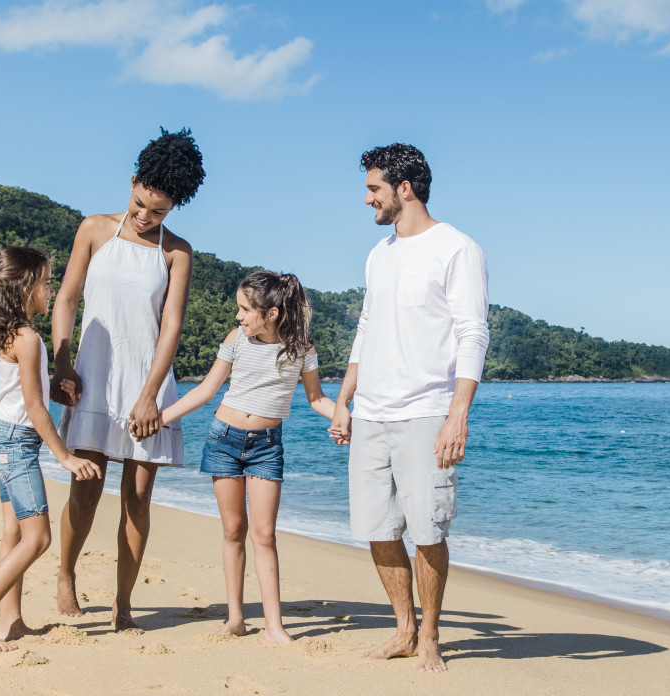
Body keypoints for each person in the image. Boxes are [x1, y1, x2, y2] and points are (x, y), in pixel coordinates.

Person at [328, 143, 489, 673]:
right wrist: (345, 401)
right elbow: (366, 330)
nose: (367, 200)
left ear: (404, 188)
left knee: (427, 529)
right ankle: (403, 629)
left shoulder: (457, 248)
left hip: (426, 412)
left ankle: (431, 637)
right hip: (371, 412)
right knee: (377, 526)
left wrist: (457, 413)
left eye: (374, 188)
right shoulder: (380, 254)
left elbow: (472, 333)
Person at [50, 128, 205, 633]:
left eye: (157, 212)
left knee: (137, 498)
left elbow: (171, 327)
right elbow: (67, 299)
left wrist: (148, 397)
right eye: (140, 204)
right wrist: (61, 361)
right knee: (86, 489)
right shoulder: (94, 229)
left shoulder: (176, 252)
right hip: (92, 377)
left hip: (148, 387)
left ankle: (122, 605)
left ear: (174, 207)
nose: (145, 217)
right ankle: (66, 575)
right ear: (133, 181)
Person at [139, 271, 336, 643]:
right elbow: (207, 389)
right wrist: (159, 419)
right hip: (223, 440)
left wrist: (350, 419)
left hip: (266, 448)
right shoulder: (236, 341)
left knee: (264, 534)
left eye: (246, 310)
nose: (239, 316)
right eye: (239, 309)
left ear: (272, 313)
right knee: (233, 531)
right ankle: (235, 618)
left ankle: (275, 627)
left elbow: (317, 399)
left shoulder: (301, 349)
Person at [0, 247, 102, 651]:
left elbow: (4, 388)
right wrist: (66, 457)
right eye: (47, 282)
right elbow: (34, 409)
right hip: (16, 442)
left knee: (13, 533)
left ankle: (11, 620)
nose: (51, 290)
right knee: (37, 539)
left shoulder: (4, 332)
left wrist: (53, 388)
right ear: (25, 287)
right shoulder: (28, 338)